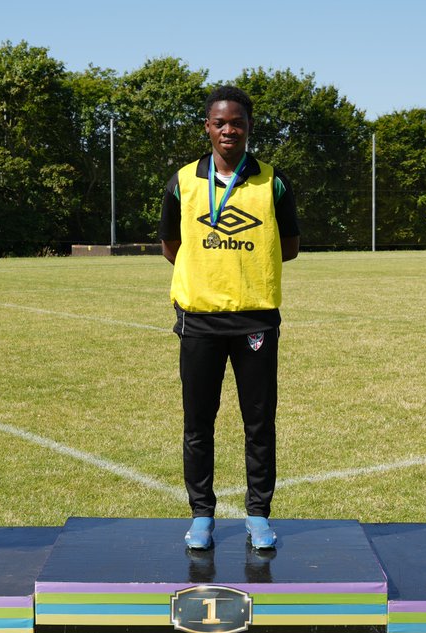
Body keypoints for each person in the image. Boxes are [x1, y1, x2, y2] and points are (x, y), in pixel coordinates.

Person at [159, 86, 300, 550]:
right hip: (200, 319)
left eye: (236, 122)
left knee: (259, 422)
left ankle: (258, 513)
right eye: (219, 122)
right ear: (207, 127)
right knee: (198, 422)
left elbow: (291, 247)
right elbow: (171, 247)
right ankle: (202, 514)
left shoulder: (273, 182)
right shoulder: (182, 181)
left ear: (248, 127)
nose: (228, 130)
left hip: (255, 319)